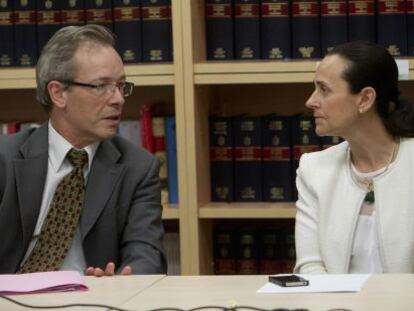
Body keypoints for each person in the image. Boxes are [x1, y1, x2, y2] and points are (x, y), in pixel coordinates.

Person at [0, 24, 167, 276]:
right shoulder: (4, 159)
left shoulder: (139, 168)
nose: (118, 99)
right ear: (58, 94)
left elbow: (146, 253)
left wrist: (124, 281)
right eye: (101, 86)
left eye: (121, 86)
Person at [294, 41, 414, 274]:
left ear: (365, 99)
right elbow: (310, 267)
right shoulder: (314, 169)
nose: (310, 101)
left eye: (324, 89)